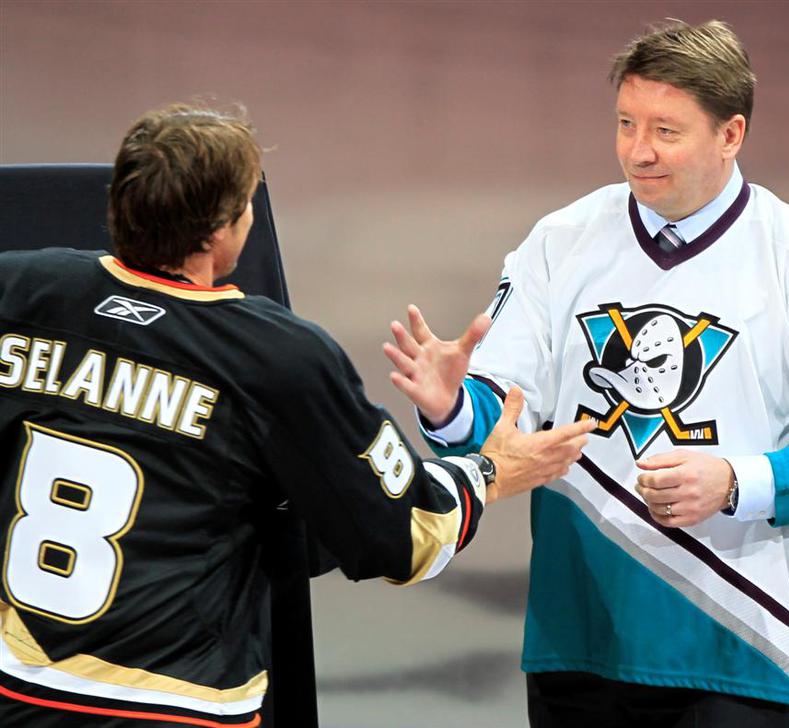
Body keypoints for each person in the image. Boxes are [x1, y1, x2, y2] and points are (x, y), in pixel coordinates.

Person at [384, 19, 789, 728]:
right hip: (574, 640)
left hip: (735, 647)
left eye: (665, 131)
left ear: (730, 134)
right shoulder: (560, 241)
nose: (637, 151)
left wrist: (736, 482)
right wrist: (452, 408)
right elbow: (503, 423)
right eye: (625, 123)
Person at [0, 104, 596, 727]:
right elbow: (401, 531)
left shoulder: (19, 292)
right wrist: (489, 471)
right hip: (177, 708)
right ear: (222, 230)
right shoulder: (276, 356)